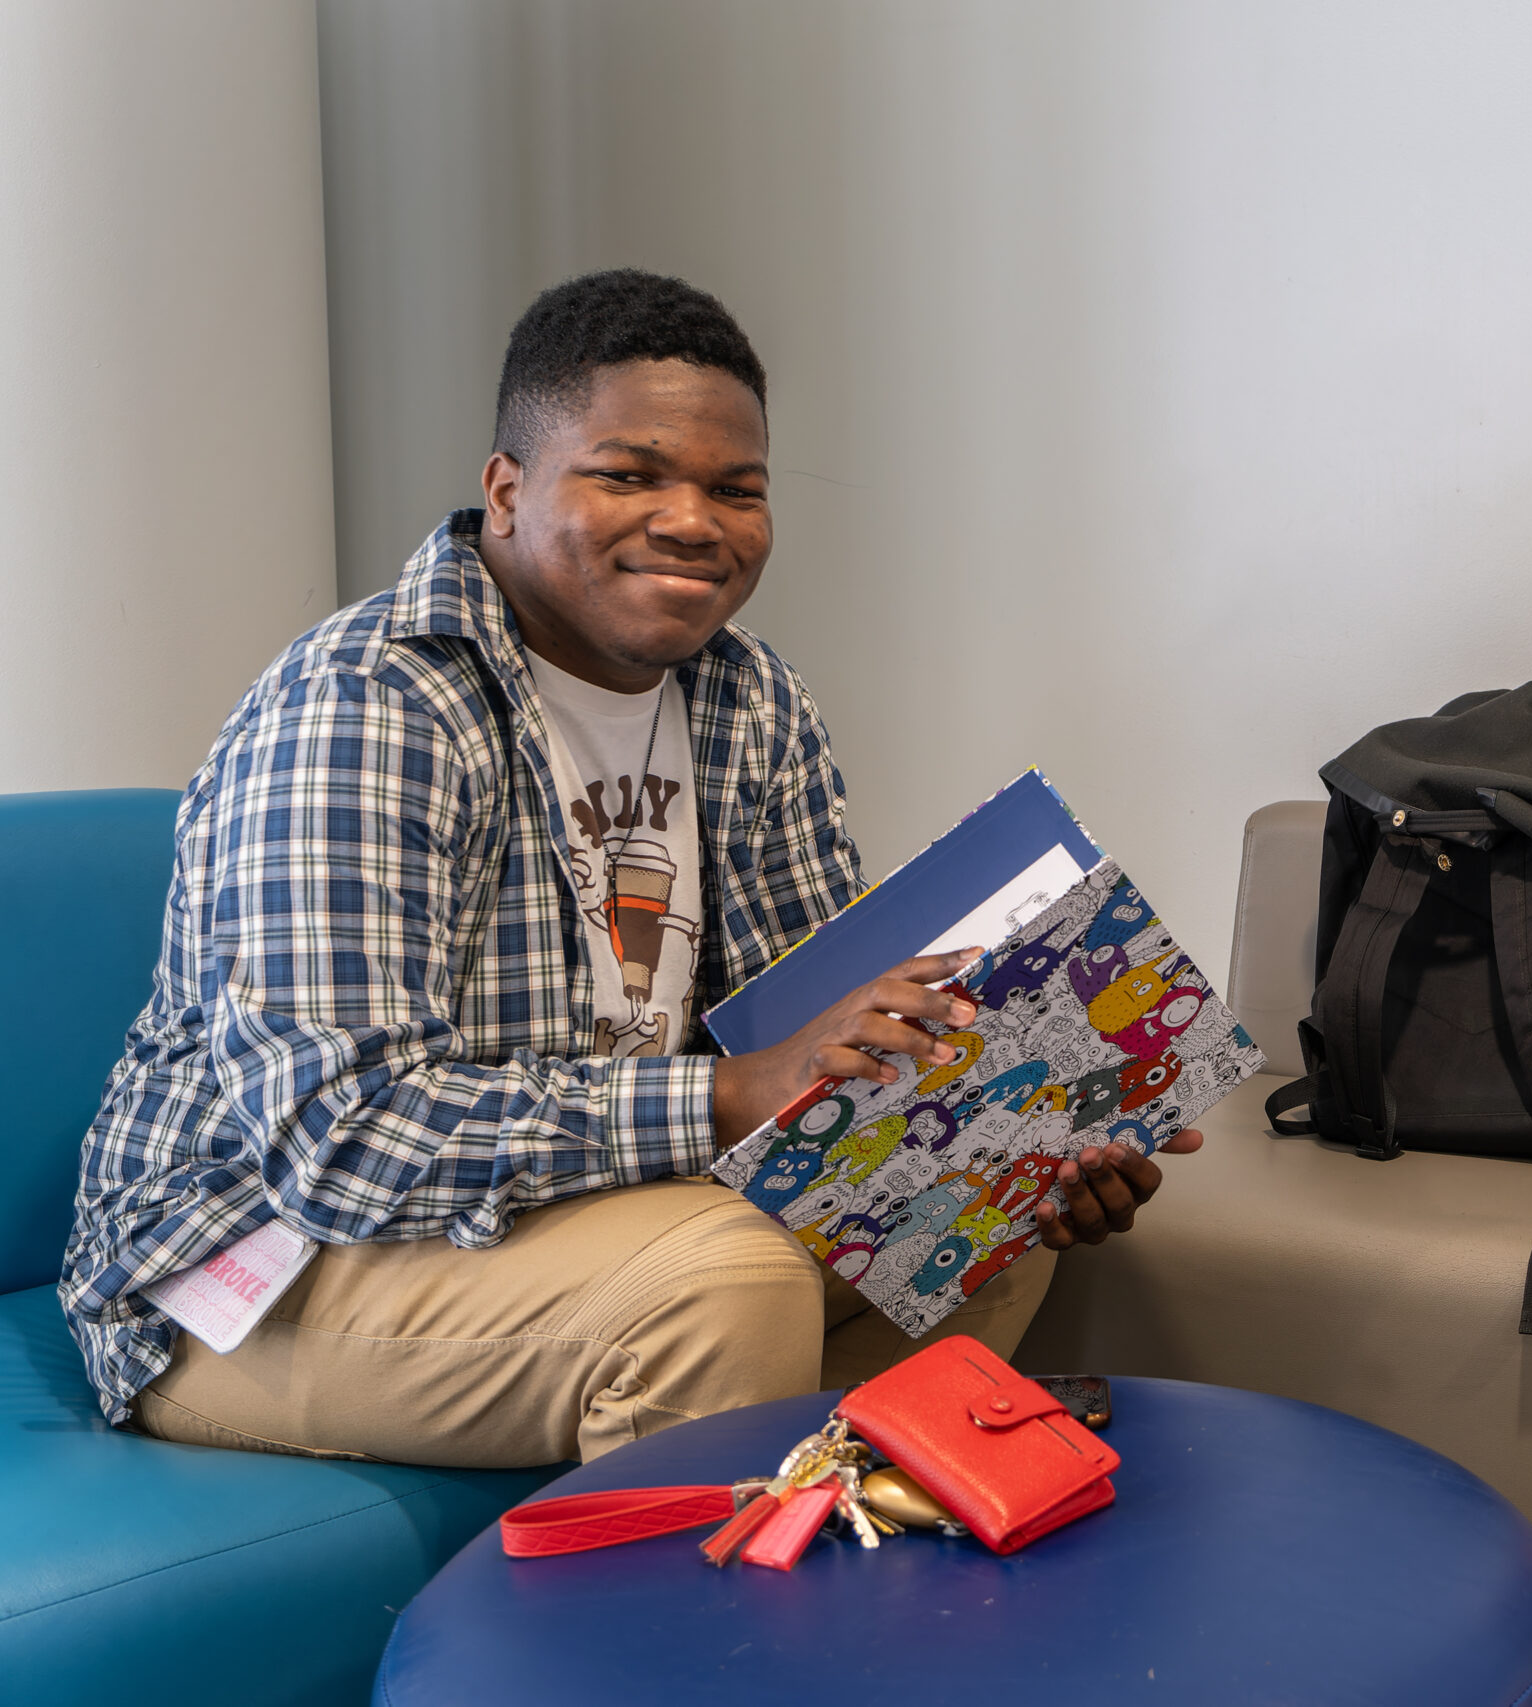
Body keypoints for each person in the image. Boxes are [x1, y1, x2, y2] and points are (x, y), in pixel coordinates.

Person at [61, 270, 1200, 1467]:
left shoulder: (751, 697)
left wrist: (1017, 1133)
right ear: (507, 489)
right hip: (260, 1271)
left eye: (735, 488)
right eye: (629, 474)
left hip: (581, 1216)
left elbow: (808, 1039)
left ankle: (839, 1570)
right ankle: (701, 1639)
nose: (694, 520)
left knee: (969, 1220)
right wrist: (728, 1094)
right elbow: (340, 1139)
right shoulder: (370, 706)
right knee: (724, 1282)